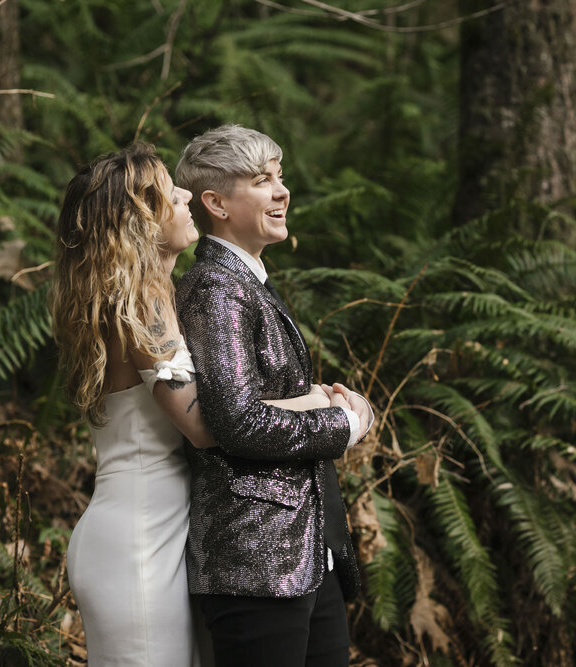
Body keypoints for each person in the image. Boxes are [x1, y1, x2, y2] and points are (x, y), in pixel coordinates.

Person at [51, 144, 332, 666]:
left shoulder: (156, 293)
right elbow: (204, 425)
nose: (183, 196)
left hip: (167, 526)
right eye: (164, 194)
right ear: (134, 224)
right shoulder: (141, 304)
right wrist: (312, 404)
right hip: (138, 534)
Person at [173, 124, 373, 666]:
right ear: (215, 202)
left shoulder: (249, 283)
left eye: (279, 177)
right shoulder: (216, 290)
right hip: (256, 563)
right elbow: (236, 422)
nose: (282, 191)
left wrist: (333, 402)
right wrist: (343, 426)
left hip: (305, 553)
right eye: (262, 180)